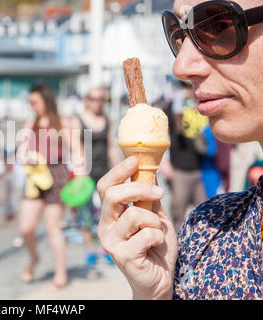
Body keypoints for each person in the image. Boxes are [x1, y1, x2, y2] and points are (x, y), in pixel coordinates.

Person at [97, 0, 263, 300]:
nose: (180, 66)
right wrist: (154, 294)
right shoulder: (205, 232)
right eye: (178, 34)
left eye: (216, 26)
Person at [17, 83, 85, 289]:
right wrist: (25, 157)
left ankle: (61, 272)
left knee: (53, 227)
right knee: (26, 227)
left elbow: (77, 151)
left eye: (35, 101)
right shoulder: (31, 124)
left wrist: (81, 178)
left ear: (46, 101)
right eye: (30, 102)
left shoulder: (62, 123)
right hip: (36, 177)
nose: (32, 105)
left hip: (57, 175)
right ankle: (34, 258)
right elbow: (21, 151)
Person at [73, 88, 121, 267]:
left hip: (104, 171)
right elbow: (76, 146)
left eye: (101, 99)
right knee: (85, 214)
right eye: (93, 99)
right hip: (85, 172)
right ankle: (88, 250)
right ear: (87, 100)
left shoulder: (107, 119)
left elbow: (111, 147)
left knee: (106, 213)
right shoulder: (78, 120)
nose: (97, 102)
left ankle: (105, 249)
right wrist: (81, 170)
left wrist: (118, 168)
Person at [161, 83, 207, 231]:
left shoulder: (201, 107)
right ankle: (177, 248)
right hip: (180, 170)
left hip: (200, 168)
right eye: (186, 87)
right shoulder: (174, 110)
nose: (189, 90)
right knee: (177, 213)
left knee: (205, 212)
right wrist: (164, 162)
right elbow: (164, 130)